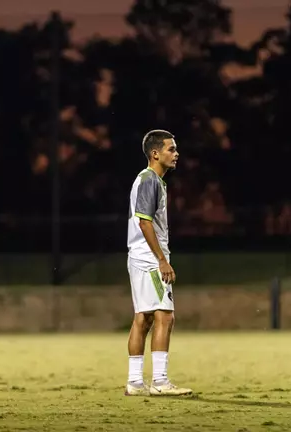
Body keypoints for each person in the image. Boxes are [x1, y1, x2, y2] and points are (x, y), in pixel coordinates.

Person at [124, 129, 192, 397]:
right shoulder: (150, 180)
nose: (176, 154)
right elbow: (144, 221)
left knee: (143, 318)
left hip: (140, 257)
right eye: (171, 149)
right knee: (166, 315)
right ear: (155, 153)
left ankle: (135, 382)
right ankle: (161, 381)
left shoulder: (151, 181)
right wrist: (162, 260)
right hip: (149, 259)